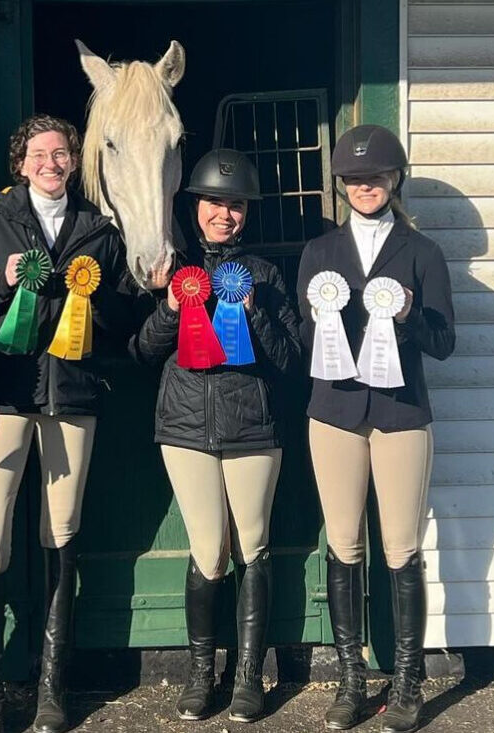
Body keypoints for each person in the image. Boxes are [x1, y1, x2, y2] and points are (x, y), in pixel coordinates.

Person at [0, 114, 132, 733]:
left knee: (61, 531)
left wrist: (95, 298)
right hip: (7, 392)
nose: (51, 162)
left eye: (61, 153)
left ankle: (51, 690)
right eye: (40, 153)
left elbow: (119, 316)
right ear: (20, 162)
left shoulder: (99, 229)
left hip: (73, 393)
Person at [296, 124, 455, 733]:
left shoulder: (423, 254)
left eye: (378, 176)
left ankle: (410, 681)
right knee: (343, 543)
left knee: (402, 547)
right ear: (343, 186)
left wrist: (410, 315)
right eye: (356, 178)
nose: (367, 186)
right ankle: (350, 679)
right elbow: (311, 342)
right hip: (334, 412)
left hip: (400, 414)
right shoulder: (319, 253)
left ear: (395, 180)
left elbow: (444, 343)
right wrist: (320, 319)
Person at [134, 148, 302, 723]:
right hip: (185, 428)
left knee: (252, 545)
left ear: (245, 214)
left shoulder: (267, 275)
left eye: (234, 206)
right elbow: (141, 351)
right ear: (196, 206)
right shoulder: (172, 269)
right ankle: (201, 671)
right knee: (209, 550)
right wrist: (170, 306)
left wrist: (253, 312)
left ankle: (250, 677)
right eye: (214, 204)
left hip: (253, 429)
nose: (224, 215)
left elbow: (289, 359)